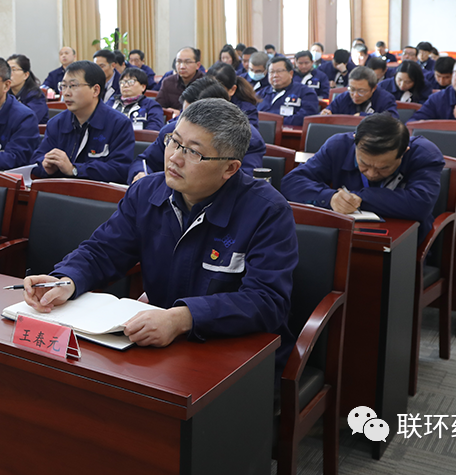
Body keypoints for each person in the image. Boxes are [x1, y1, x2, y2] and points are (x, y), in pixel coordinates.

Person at [23, 98, 297, 377]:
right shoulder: (146, 192)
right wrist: (66, 280)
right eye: (174, 142)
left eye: (193, 152)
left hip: (237, 357)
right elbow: (103, 250)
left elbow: (266, 301)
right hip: (159, 345)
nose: (175, 158)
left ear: (230, 168)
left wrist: (183, 318)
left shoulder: (267, 211)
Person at [281, 113, 444, 236]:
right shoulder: (338, 146)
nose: (372, 174)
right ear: (355, 142)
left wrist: (359, 197)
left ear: (404, 153)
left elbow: (420, 204)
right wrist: (330, 198)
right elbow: (292, 182)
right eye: (364, 164)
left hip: (406, 242)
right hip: (345, 235)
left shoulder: (424, 154)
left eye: (383, 168)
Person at [130, 79, 264, 182]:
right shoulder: (173, 130)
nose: (186, 122)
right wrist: (141, 174)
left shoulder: (248, 139)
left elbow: (242, 184)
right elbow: (144, 161)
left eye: (195, 117)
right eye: (185, 113)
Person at [31, 60, 134, 183]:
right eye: (63, 86)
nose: (66, 93)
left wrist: (75, 169)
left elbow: (121, 169)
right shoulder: (56, 123)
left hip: (97, 193)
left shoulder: (119, 123)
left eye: (73, 86)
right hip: (60, 190)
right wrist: (45, 166)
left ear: (95, 90)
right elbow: (36, 160)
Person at [258, 57, 319, 126]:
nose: (275, 75)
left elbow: (306, 117)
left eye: (279, 71)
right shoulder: (260, 94)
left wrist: (274, 123)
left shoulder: (305, 93)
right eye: (272, 72)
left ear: (291, 73)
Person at [322, 66, 398, 117]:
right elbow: (329, 111)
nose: (355, 95)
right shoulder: (343, 97)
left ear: (373, 88)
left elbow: (392, 119)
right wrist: (325, 114)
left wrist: (363, 117)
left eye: (361, 91)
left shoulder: (385, 99)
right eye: (352, 89)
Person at [206, 62, 261, 128]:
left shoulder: (247, 110)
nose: (211, 92)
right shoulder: (203, 104)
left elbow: (249, 133)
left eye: (217, 89)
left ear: (232, 90)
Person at [6, 54, 49, 123]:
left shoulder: (36, 96)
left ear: (26, 75)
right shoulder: (5, 94)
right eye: (7, 70)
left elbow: (28, 120)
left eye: (13, 69)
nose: (9, 74)